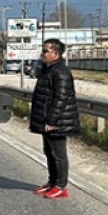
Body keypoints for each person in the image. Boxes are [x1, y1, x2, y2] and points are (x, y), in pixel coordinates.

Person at [29, 38, 80, 200]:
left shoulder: (61, 72)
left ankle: (61, 186)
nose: (42, 54)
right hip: (47, 120)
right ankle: (52, 182)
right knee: (49, 152)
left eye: (46, 51)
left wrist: (51, 120)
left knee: (58, 154)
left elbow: (61, 98)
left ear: (56, 54)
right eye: (43, 50)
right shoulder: (49, 70)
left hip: (58, 121)